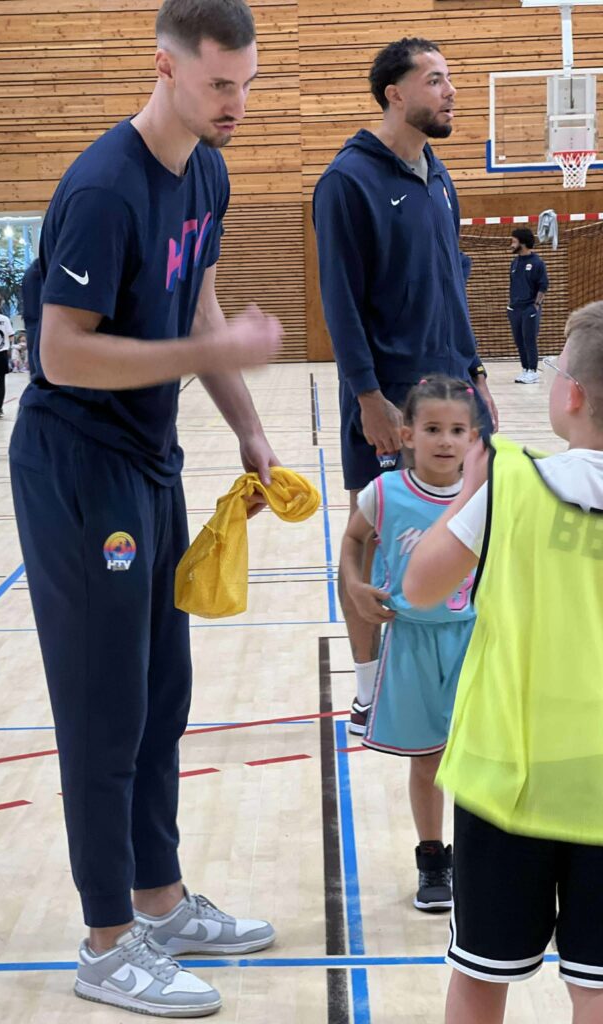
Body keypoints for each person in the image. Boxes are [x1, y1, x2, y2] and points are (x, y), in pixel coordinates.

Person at [8, 0, 283, 1015]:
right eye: (219, 85)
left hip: (150, 462)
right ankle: (105, 942)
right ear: (164, 68)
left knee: (163, 694)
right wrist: (207, 352)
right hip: (78, 471)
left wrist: (249, 428)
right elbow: (60, 352)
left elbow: (196, 300)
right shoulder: (103, 188)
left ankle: (159, 902)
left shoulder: (207, 171)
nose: (236, 103)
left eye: (246, 85)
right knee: (105, 710)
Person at [404, 302, 603, 1024]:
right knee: (597, 987)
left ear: (570, 394)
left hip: (507, 778)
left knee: (483, 974)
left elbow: (421, 587)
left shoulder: (510, 482)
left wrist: (467, 492)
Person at [313, 36, 497, 736]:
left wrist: (477, 372)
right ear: (395, 94)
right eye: (436, 79)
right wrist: (368, 397)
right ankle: (368, 691)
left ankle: (454, 677)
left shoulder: (439, 177)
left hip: (455, 397)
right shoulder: (347, 181)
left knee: (468, 534)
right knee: (368, 540)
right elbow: (339, 301)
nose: (451, 91)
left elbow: (453, 284)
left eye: (450, 78)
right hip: (388, 399)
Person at [340, 376, 479, 911]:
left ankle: (480, 858)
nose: (445, 440)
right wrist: (355, 585)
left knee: (478, 758)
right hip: (412, 641)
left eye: (457, 430)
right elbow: (354, 539)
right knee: (428, 760)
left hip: (474, 639)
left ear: (473, 438)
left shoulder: (485, 495)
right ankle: (432, 859)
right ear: (407, 435)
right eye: (433, 428)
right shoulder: (385, 493)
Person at [508, 227, 549, 384]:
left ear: (522, 243)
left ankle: (533, 371)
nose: (511, 245)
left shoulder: (537, 263)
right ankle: (525, 369)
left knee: (529, 339)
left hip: (529, 307)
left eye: (514, 241)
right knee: (519, 341)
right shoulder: (515, 262)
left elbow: (543, 285)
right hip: (515, 308)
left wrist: (536, 305)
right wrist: (510, 305)